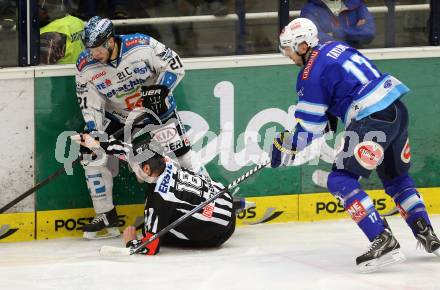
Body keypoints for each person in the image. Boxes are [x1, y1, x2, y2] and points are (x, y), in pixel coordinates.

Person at [272, 18, 440, 273]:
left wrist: (285, 146)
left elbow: (309, 127)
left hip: (371, 119)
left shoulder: (310, 73)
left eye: (289, 48)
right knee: (397, 180)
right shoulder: (335, 48)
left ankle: (382, 239)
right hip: (396, 110)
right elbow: (330, 113)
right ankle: (427, 234)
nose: (287, 55)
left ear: (303, 45)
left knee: (340, 180)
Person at [75, 16, 206, 239]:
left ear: (109, 42)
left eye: (96, 49)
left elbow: (175, 65)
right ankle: (105, 213)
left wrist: (160, 90)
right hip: (118, 117)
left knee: (182, 154)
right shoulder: (85, 65)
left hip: (156, 111)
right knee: (90, 153)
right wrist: (94, 132)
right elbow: (90, 102)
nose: (92, 54)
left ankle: (207, 197)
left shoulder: (142, 46)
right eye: (89, 49)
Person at [121, 140, 236, 255]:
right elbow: (132, 151)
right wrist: (104, 143)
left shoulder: (157, 200)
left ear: (146, 169)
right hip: (225, 198)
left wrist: (131, 242)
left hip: (220, 232)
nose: (133, 169)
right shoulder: (168, 162)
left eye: (135, 166)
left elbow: (150, 248)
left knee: (148, 231)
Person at [300, 0, 375, 48]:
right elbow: (315, 38)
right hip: (328, 62)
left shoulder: (356, 4)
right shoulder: (309, 10)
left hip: (356, 58)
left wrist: (337, 32)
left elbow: (368, 34)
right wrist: (355, 31)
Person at [39, 0, 85, 64]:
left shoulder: (49, 35)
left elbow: (42, 70)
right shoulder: (77, 22)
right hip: (81, 69)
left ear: (44, 9)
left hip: (62, 73)